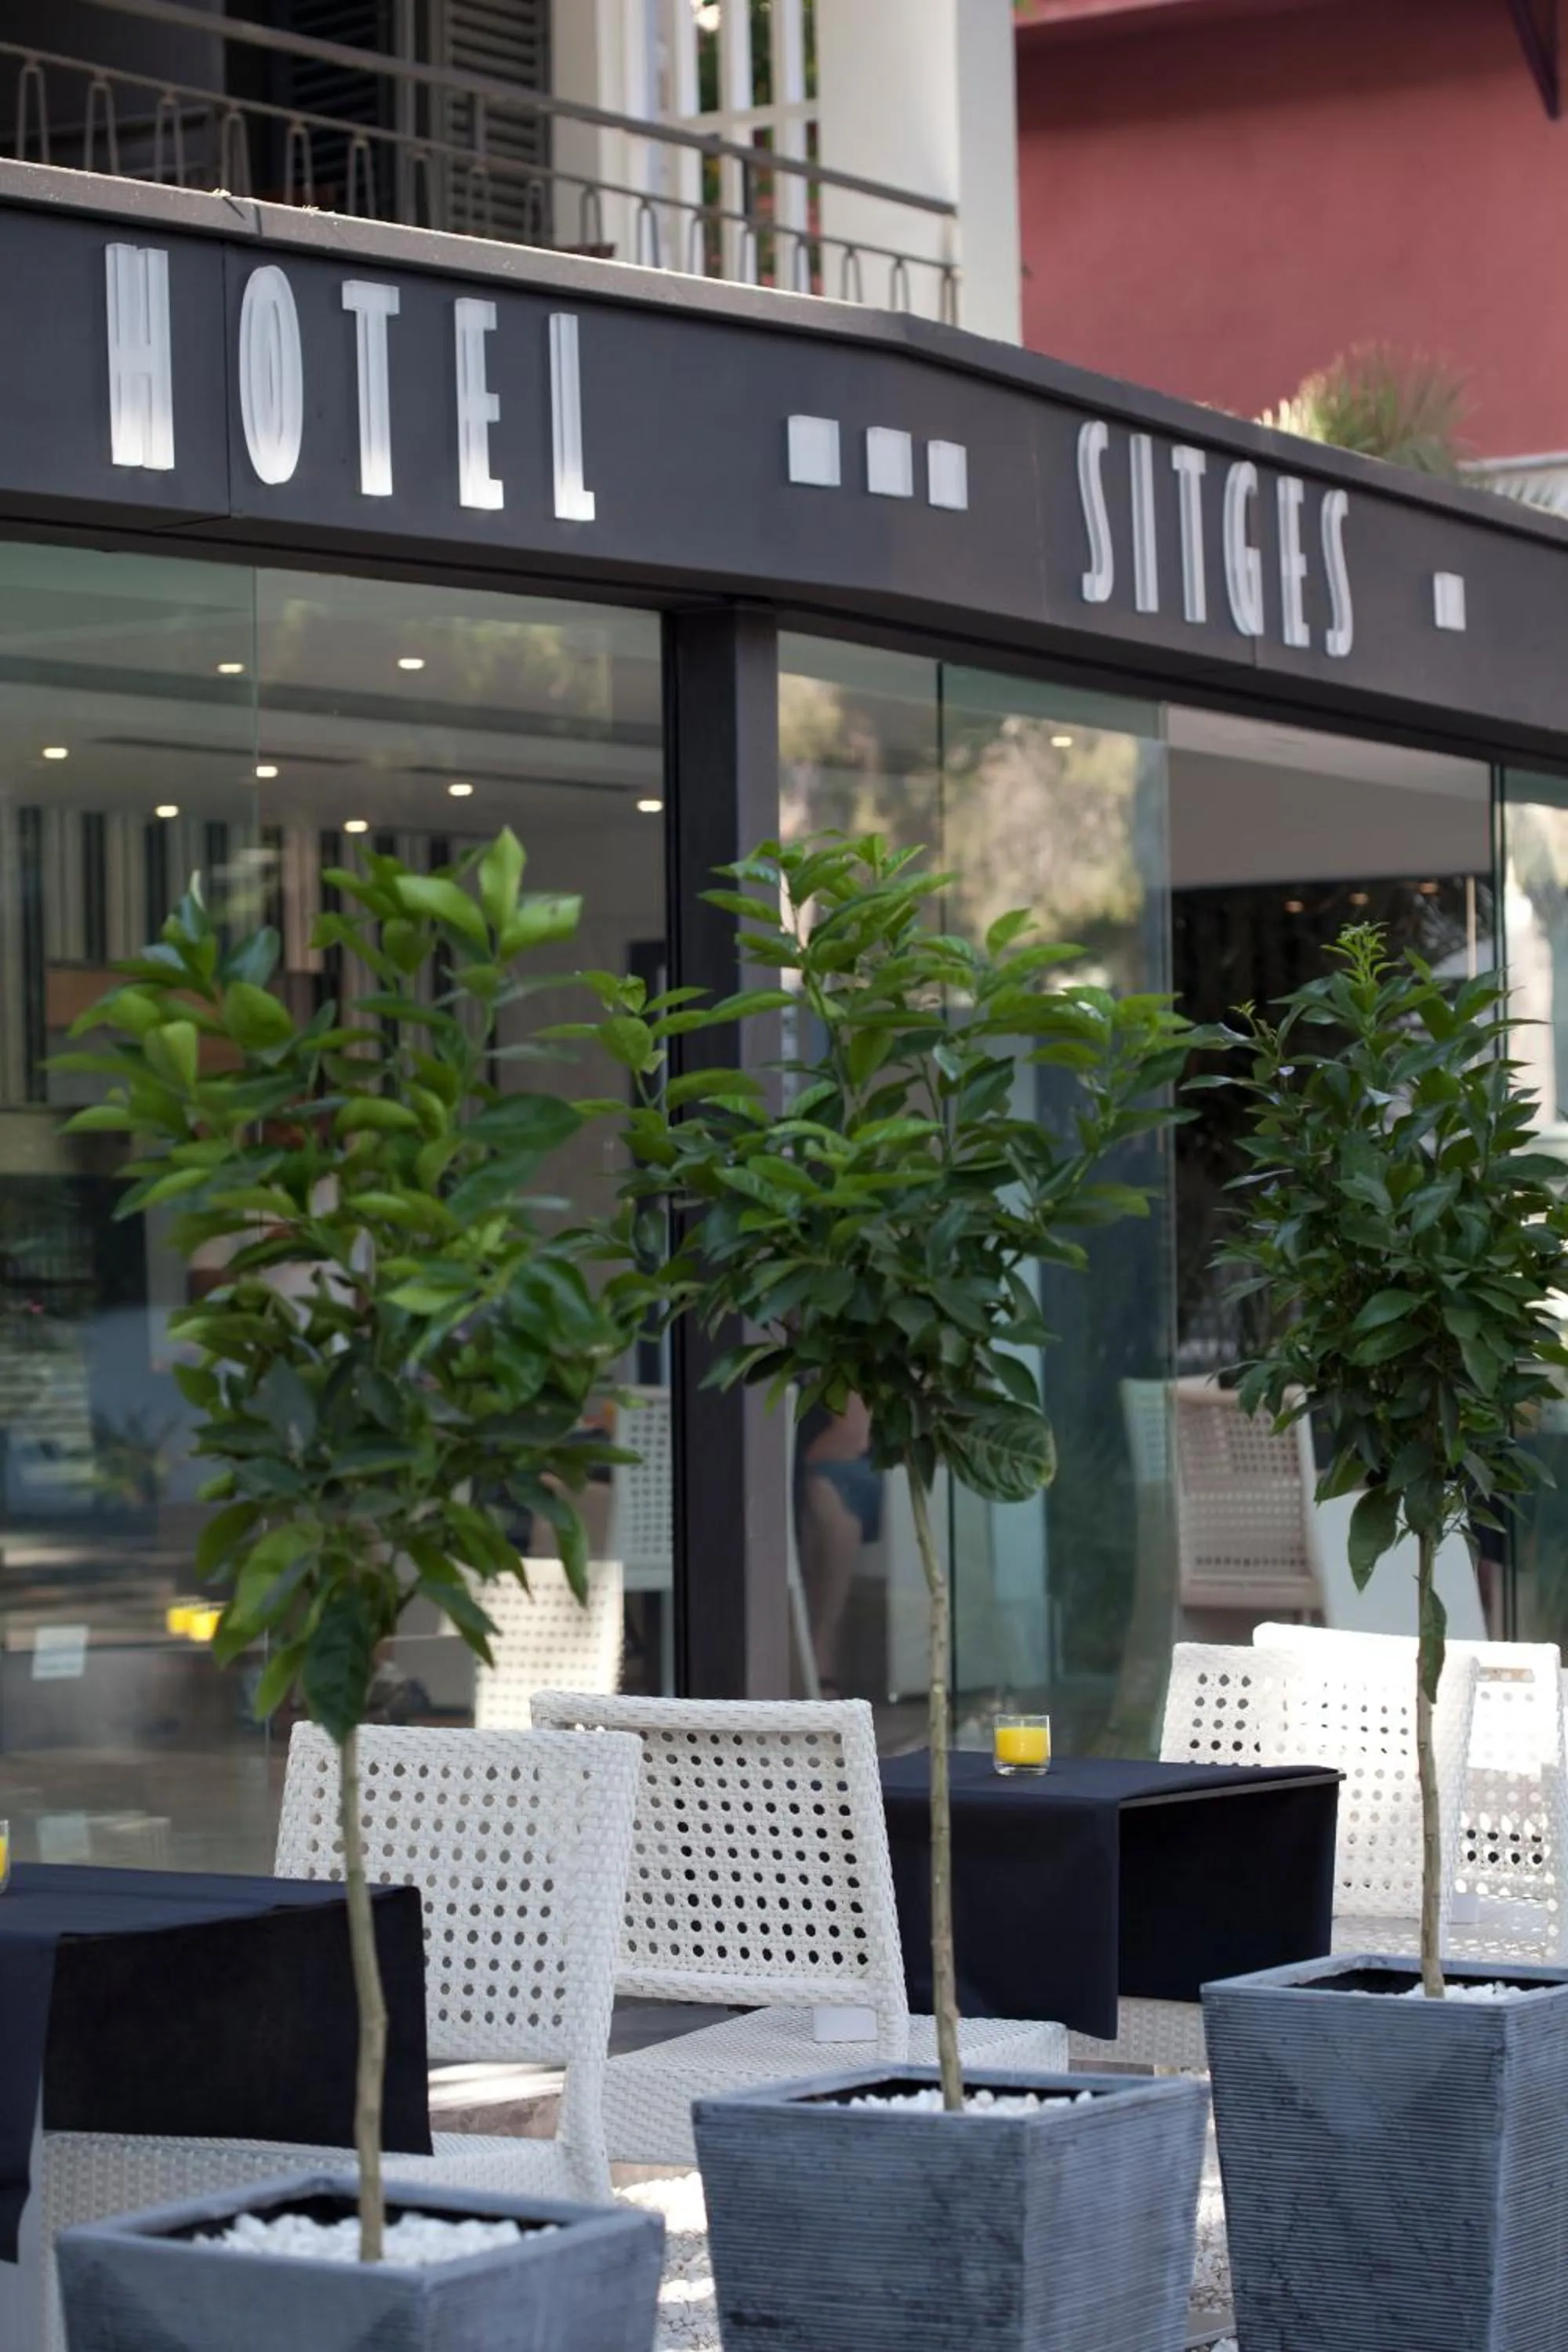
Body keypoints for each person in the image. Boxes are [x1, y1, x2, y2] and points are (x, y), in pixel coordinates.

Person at [793, 1396, 882, 1695]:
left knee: (823, 1493)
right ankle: (813, 1672)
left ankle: (820, 1668)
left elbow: (853, 1436)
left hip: (837, 1474)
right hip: (817, 1476)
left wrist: (788, 1462)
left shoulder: (836, 1359)